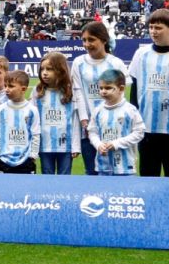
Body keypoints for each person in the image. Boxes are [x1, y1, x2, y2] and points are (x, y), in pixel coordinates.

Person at [127, 8, 169, 210]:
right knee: (148, 175)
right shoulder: (141, 54)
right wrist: (134, 122)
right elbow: (135, 90)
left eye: (159, 27)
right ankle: (149, 213)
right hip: (145, 128)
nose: (154, 31)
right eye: (151, 27)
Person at [72, 22, 127, 176]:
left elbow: (122, 96)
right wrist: (84, 119)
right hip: (88, 126)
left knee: (114, 171)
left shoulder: (116, 63)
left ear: (103, 40)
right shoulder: (78, 63)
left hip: (112, 125)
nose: (87, 44)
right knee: (91, 170)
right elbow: (78, 92)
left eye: (91, 39)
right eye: (84, 40)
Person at [86, 70, 145, 177]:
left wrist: (117, 144)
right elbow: (92, 132)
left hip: (125, 168)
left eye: (108, 88)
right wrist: (98, 145)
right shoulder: (98, 110)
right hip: (103, 167)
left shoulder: (130, 110)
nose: (103, 91)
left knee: (125, 194)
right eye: (101, 88)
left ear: (121, 88)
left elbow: (139, 132)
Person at [35, 52, 78, 175]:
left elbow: (75, 121)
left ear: (60, 70)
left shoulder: (70, 92)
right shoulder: (37, 92)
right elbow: (34, 121)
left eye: (49, 69)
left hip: (65, 146)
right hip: (44, 145)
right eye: (42, 69)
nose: (44, 72)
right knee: (47, 177)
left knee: (64, 177)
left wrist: (75, 146)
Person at [0, 70, 41, 174]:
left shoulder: (32, 110)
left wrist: (32, 156)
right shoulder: (1, 109)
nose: (7, 89)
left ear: (23, 89)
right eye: (5, 86)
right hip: (4, 160)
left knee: (27, 189)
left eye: (11, 86)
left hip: (26, 161)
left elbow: (35, 135)